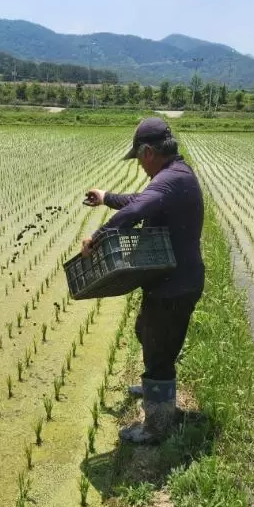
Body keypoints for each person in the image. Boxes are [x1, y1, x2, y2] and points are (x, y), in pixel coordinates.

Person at [81, 117, 204, 444]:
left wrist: (98, 235)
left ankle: (156, 426)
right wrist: (106, 196)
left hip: (174, 287)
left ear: (148, 152)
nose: (138, 166)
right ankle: (155, 386)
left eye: (137, 159)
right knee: (146, 332)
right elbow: (140, 200)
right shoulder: (174, 176)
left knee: (160, 354)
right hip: (170, 282)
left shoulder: (170, 181)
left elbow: (141, 208)